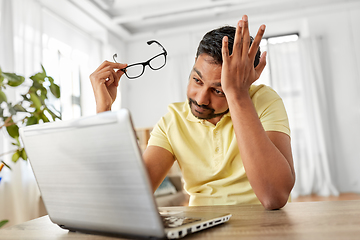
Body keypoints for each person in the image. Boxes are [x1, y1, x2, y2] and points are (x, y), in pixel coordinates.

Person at [90, 15, 295, 210]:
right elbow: (130, 198)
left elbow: (274, 196)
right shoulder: (173, 121)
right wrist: (104, 112)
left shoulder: (263, 101)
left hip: (263, 226)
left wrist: (237, 95)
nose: (200, 99)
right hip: (202, 226)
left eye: (218, 90)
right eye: (197, 80)